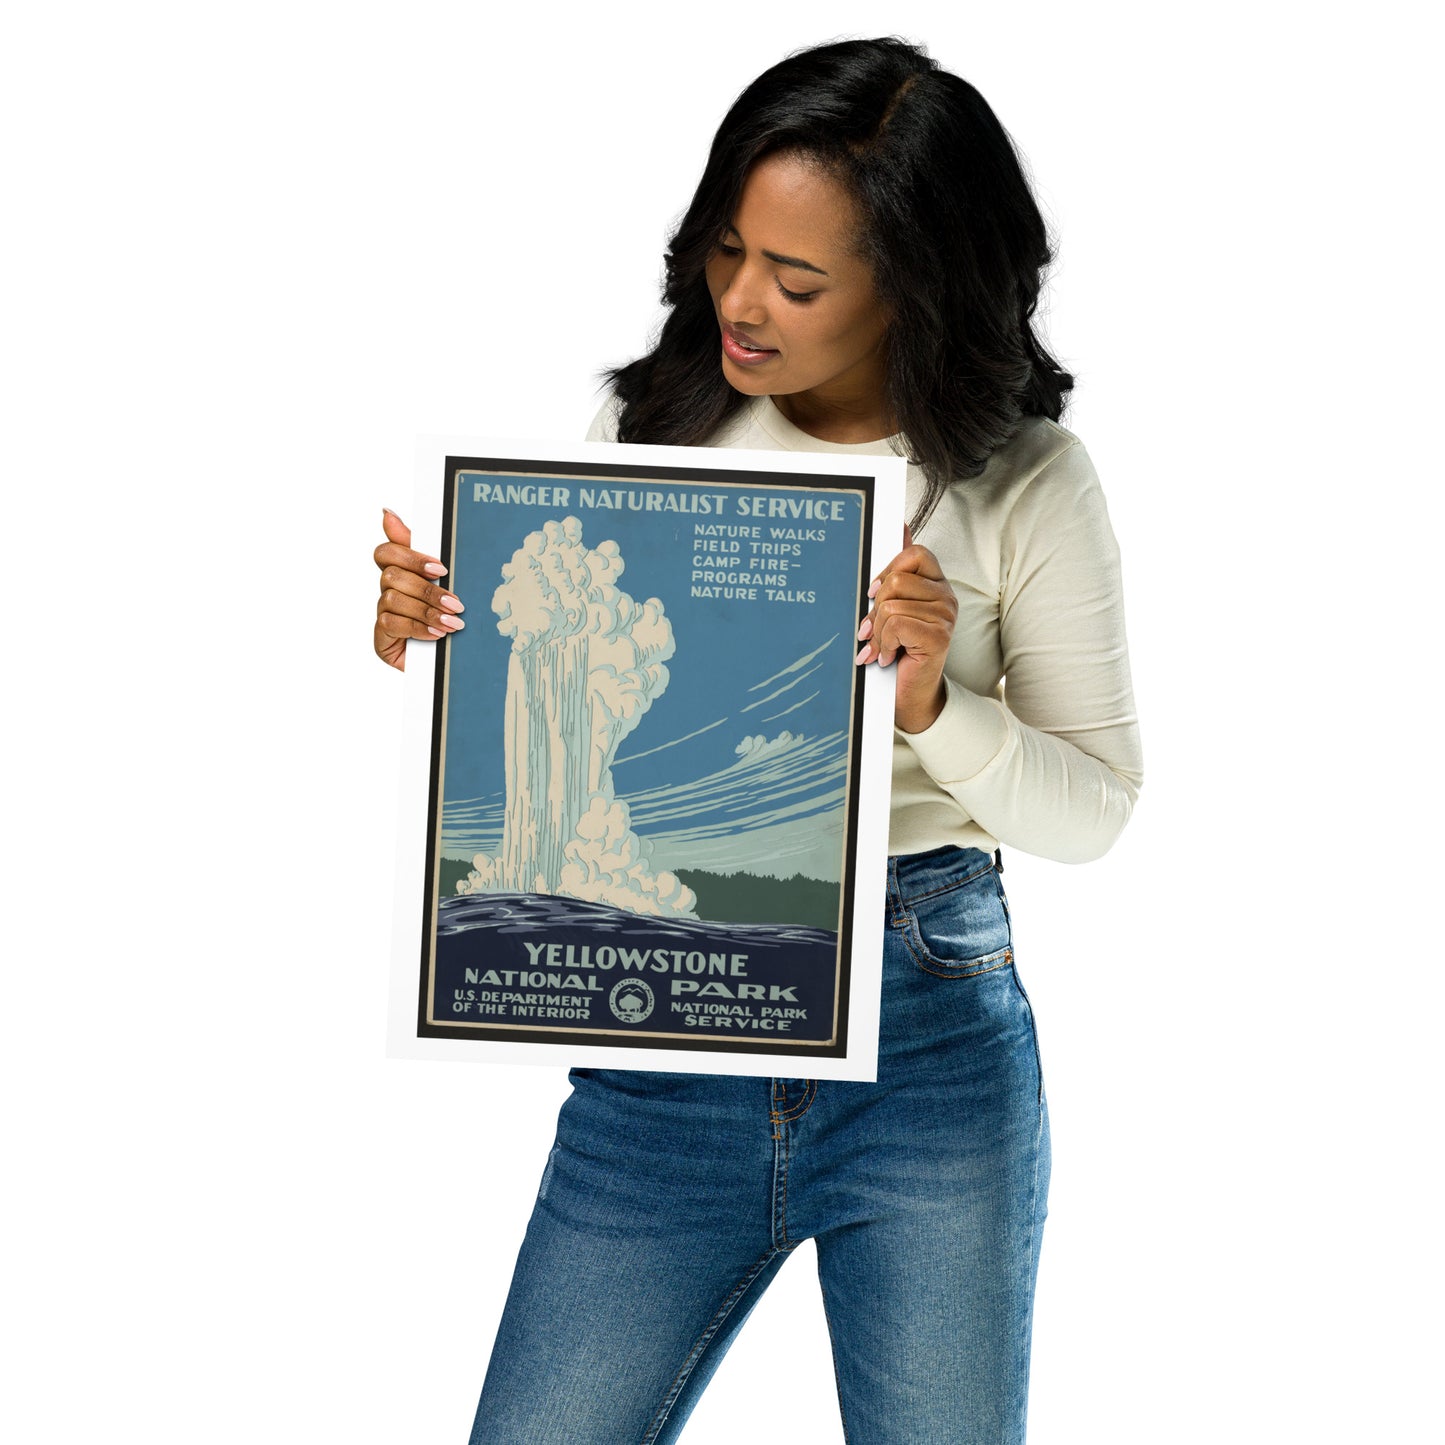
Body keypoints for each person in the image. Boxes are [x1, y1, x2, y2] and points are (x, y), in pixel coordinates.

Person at [374, 36, 1141, 1444]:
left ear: (912, 280)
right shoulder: (650, 422)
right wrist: (441, 630)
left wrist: (930, 704)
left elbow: (1093, 809)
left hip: (926, 1044)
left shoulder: (1026, 481)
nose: (740, 301)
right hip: (657, 1049)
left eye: (795, 280)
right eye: (727, 251)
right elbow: (568, 726)